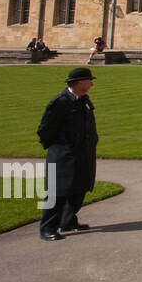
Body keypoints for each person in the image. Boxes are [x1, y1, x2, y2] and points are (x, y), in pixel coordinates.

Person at [37, 67, 100, 241]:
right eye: (89, 81)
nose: (91, 84)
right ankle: (47, 227)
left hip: (83, 152)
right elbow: (45, 130)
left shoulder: (83, 100)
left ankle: (68, 221)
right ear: (80, 83)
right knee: (58, 191)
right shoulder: (60, 102)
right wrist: (60, 147)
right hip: (64, 154)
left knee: (79, 187)